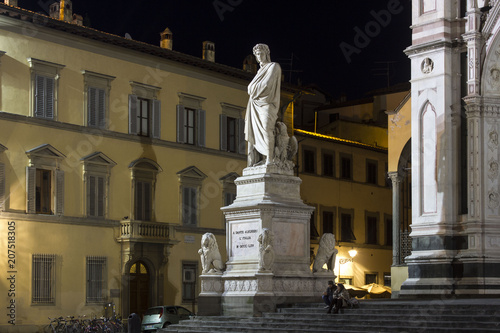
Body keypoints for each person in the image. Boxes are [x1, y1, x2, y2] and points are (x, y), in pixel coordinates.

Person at [245, 43, 282, 167]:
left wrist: (253, 89)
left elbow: (267, 84)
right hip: (255, 105)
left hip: (267, 103)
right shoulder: (260, 71)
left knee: (267, 127)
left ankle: (269, 160)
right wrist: (253, 89)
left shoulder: (274, 66)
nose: (259, 57)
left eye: (261, 53)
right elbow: (249, 88)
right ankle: (257, 160)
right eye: (257, 55)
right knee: (255, 133)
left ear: (267, 54)